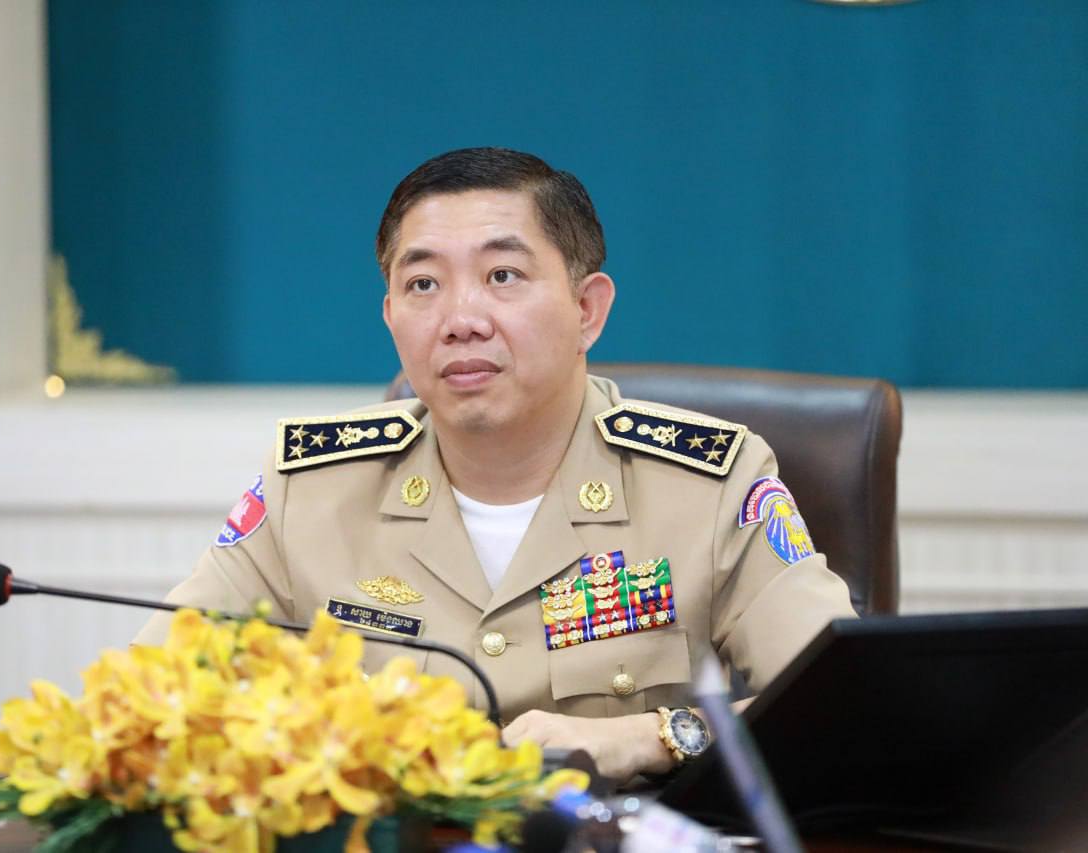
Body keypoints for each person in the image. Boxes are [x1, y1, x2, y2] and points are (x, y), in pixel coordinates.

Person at [136, 147, 856, 780]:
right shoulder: (310, 487)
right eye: (423, 285)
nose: (461, 319)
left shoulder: (709, 483)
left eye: (503, 275)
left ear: (587, 310)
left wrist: (654, 737)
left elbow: (844, 704)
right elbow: (149, 697)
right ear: (390, 317)